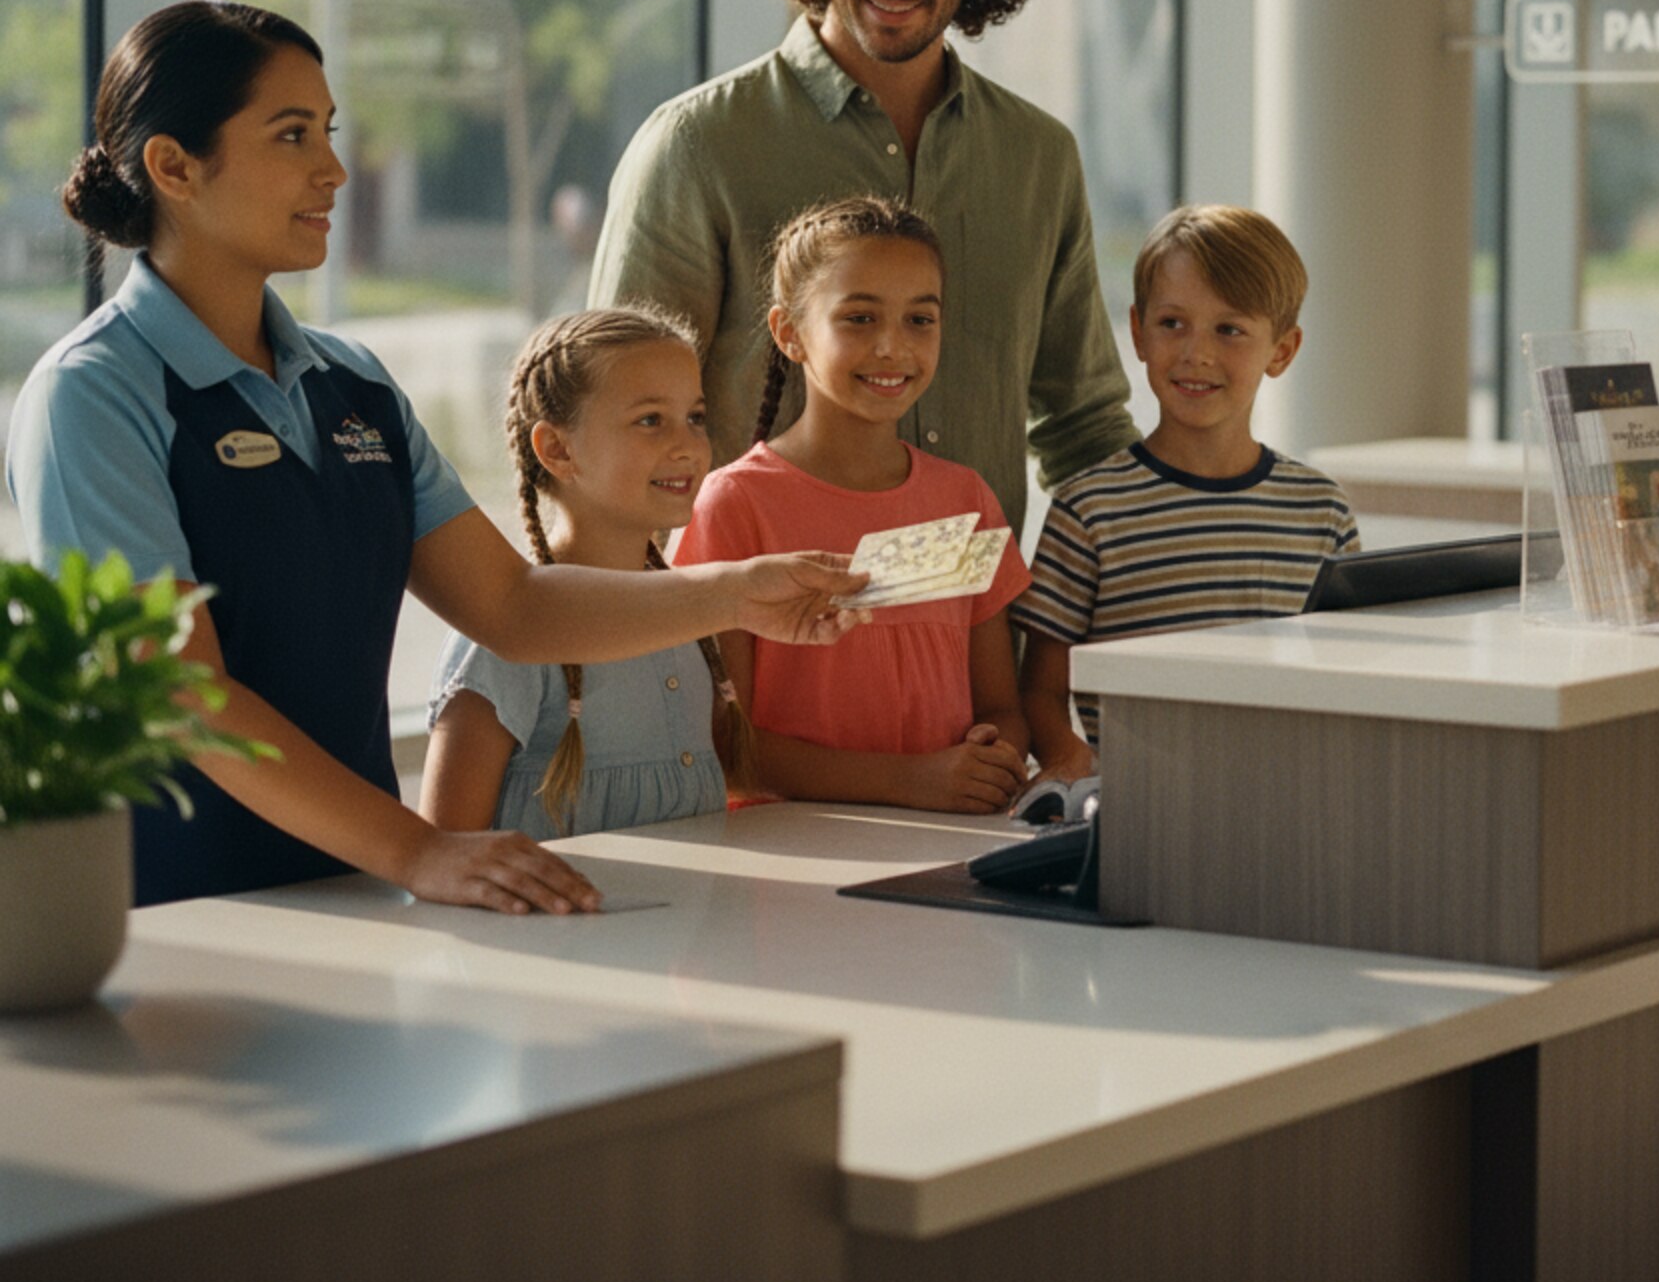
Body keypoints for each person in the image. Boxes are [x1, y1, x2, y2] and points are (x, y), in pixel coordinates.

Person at [7, 0, 866, 912]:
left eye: (328, 132)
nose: (335, 169)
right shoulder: (92, 393)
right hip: (181, 918)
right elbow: (183, 693)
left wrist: (736, 593)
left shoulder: (355, 385)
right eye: (292, 136)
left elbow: (512, 604)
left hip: (353, 898)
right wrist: (420, 851)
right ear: (175, 166)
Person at [588, 0, 1138, 539]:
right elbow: (615, 435)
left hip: (968, 645)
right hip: (752, 648)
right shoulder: (697, 147)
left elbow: (1084, 427)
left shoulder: (1038, 157)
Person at [675, 197, 1033, 814]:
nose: (892, 347)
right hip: (784, 864)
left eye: (920, 320)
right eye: (860, 318)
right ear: (789, 333)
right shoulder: (735, 504)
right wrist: (911, 781)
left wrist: (988, 755)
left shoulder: (967, 499)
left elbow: (1002, 707)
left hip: (945, 848)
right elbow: (720, 744)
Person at [1013, 205, 1361, 781]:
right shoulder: (1088, 510)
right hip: (1140, 813)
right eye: (1173, 323)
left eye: (1230, 330)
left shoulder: (1322, 510)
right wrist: (1073, 761)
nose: (1196, 353)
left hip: (1288, 799)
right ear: (1137, 333)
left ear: (1282, 350)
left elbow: (1342, 676)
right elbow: (1041, 692)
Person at [421, 306, 757, 840]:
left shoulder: (693, 617)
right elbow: (447, 843)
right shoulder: (505, 637)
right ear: (557, 449)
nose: (687, 444)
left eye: (695, 417)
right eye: (650, 420)